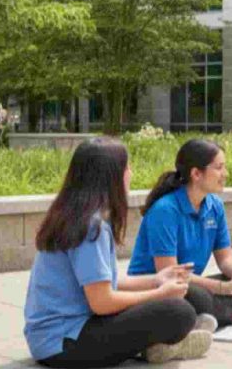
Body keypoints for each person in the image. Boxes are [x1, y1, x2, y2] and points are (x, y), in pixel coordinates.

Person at [23, 138, 213, 367]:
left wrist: (156, 280)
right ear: (110, 177)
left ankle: (156, 345)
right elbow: (102, 302)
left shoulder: (76, 216)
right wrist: (160, 294)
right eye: (127, 167)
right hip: (64, 344)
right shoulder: (91, 227)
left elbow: (104, 285)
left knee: (188, 297)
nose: (130, 173)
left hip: (55, 338)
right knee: (178, 311)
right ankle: (162, 346)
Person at [128, 139, 232, 328]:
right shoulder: (165, 210)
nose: (225, 174)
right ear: (196, 173)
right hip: (157, 290)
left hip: (189, 284)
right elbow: (170, 275)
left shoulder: (215, 206)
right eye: (219, 168)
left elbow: (225, 259)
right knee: (193, 293)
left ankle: (205, 315)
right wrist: (221, 288)